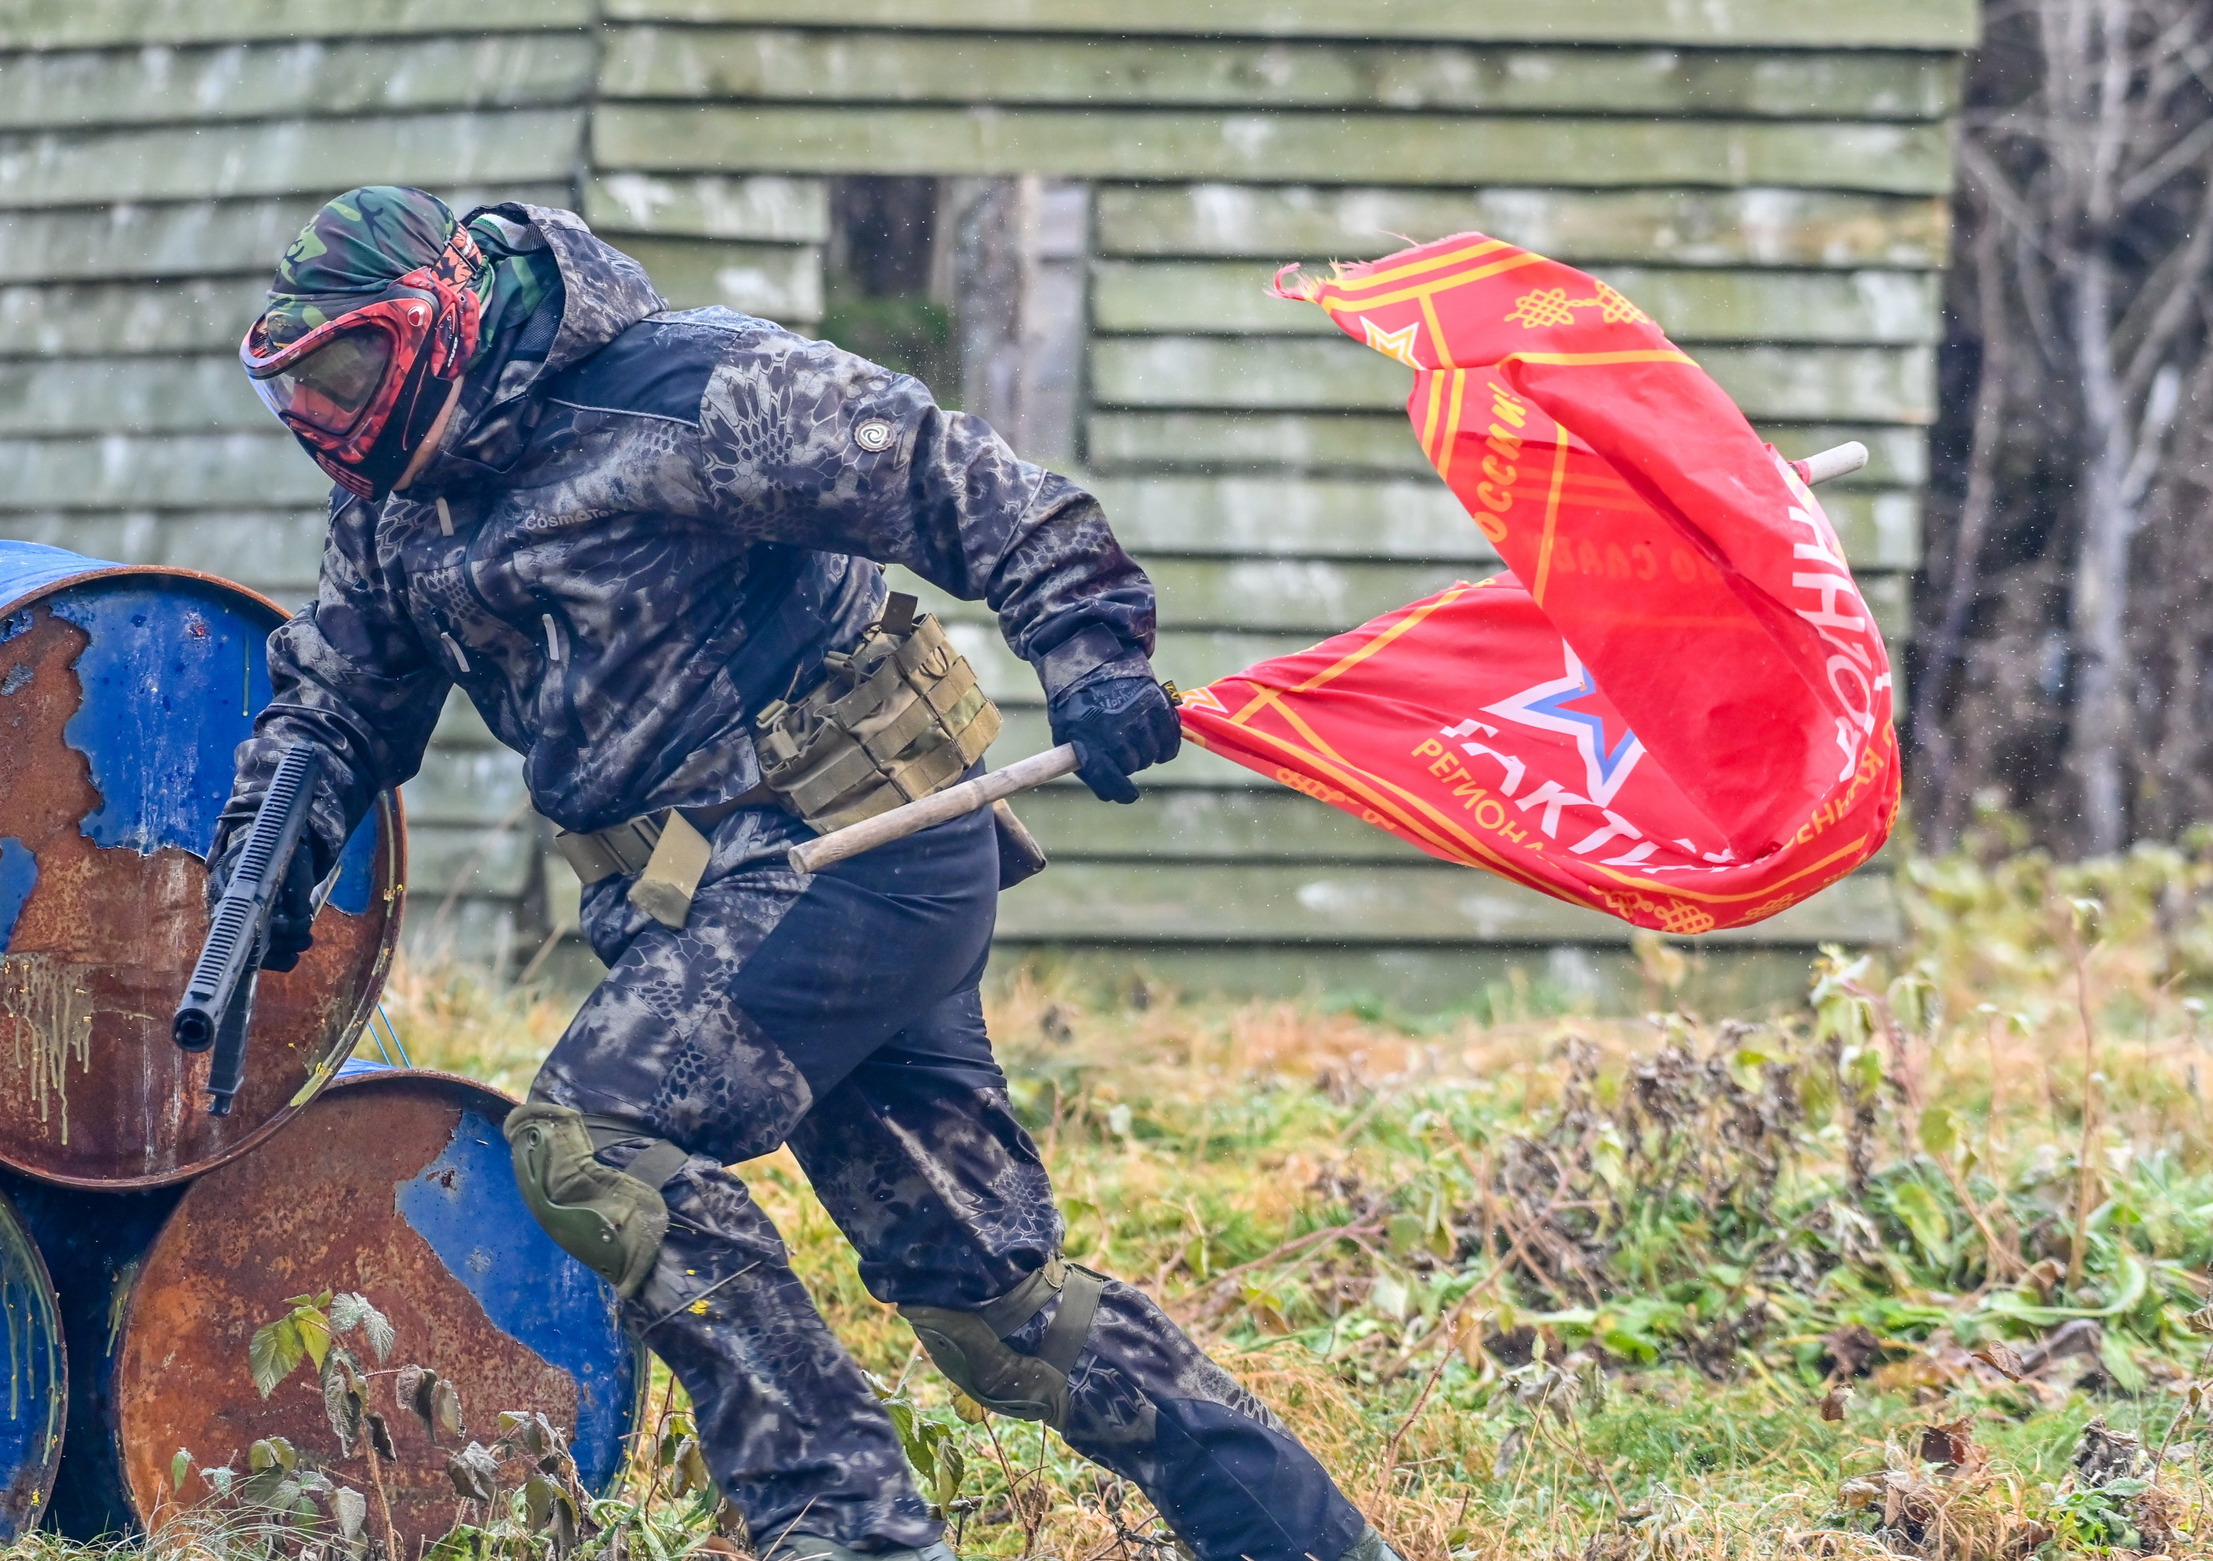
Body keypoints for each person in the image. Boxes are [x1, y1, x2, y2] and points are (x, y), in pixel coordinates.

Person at [215, 185, 1396, 1561]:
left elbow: (945, 472)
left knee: (596, 1140)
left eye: (348, 371)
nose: (329, 421)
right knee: (993, 1309)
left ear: (447, 318)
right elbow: (337, 697)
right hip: (723, 900)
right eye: (298, 391)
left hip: (858, 842)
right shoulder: (397, 507)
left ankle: (843, 1523)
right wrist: (272, 845)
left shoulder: (684, 389)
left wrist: (1089, 643)